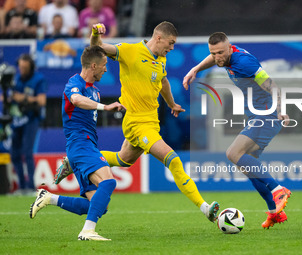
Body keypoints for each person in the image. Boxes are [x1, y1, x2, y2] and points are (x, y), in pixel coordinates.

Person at [54, 21, 220, 223]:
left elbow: (163, 81)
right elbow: (96, 48)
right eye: (171, 43)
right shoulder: (130, 51)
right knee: (174, 160)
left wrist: (172, 103)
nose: (172, 48)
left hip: (151, 122)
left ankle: (74, 161)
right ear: (158, 38)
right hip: (136, 123)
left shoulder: (161, 59)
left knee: (124, 159)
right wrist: (96, 33)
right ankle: (205, 208)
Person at [182, 32, 292, 229]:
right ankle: (275, 212)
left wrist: (281, 109)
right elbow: (213, 58)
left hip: (267, 115)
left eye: (221, 53)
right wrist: (195, 69)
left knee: (233, 153)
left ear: (230, 47)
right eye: (214, 53)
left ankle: (278, 189)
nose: (218, 58)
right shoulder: (224, 57)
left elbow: (273, 85)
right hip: (258, 116)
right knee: (250, 167)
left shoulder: (244, 62)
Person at [30, 45, 125, 241]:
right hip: (80, 144)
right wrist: (105, 107)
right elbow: (76, 100)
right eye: (104, 65)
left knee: (99, 206)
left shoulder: (96, 91)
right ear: (93, 66)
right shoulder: (74, 84)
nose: (106, 69)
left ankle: (48, 197)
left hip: (86, 147)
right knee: (109, 182)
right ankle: (87, 231)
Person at [10, 54, 47, 195]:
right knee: (14, 154)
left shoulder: (38, 79)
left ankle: (31, 186)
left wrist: (24, 98)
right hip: (17, 119)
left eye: (24, 67)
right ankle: (22, 186)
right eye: (20, 67)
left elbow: (42, 101)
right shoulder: (16, 78)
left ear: (30, 67)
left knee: (27, 152)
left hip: (31, 119)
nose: (22, 70)